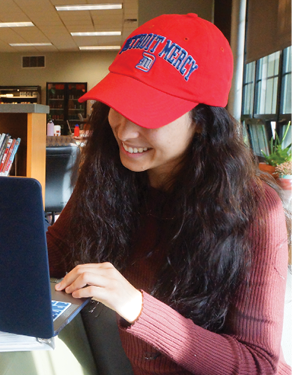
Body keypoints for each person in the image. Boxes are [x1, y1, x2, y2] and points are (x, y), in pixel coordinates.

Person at [47, 14, 292, 374]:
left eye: (148, 113)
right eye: (119, 104)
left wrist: (138, 307)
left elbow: (258, 365)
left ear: (203, 121)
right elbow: (49, 257)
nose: (126, 132)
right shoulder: (107, 176)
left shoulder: (254, 210)